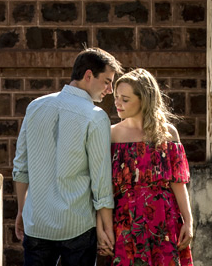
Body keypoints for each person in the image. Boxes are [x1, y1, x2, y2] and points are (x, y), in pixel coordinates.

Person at [12, 47, 123, 266]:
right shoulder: (96, 116)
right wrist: (107, 229)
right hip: (79, 225)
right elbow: (100, 180)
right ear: (88, 75)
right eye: (107, 81)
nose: (110, 90)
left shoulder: (35, 107)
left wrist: (22, 211)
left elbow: (20, 167)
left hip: (37, 223)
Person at [99, 68, 194, 266]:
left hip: (164, 219)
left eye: (125, 99)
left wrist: (189, 222)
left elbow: (178, 182)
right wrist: (102, 227)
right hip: (125, 220)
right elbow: (102, 186)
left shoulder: (168, 132)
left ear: (144, 99)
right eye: (116, 97)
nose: (117, 103)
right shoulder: (111, 134)